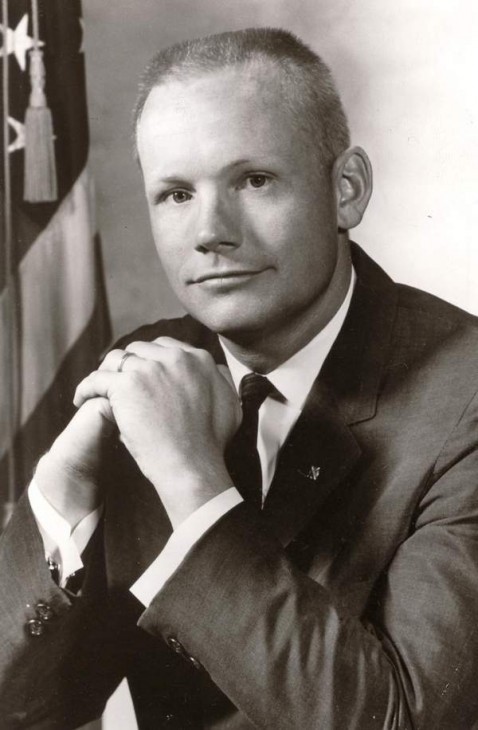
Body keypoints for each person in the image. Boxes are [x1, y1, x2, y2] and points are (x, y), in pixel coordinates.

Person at [1, 27, 478, 730]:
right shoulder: (148, 368)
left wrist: (194, 486)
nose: (209, 231)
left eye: (253, 180)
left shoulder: (464, 395)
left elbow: (403, 720)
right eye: (174, 194)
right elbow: (25, 710)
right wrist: (59, 503)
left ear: (345, 190)